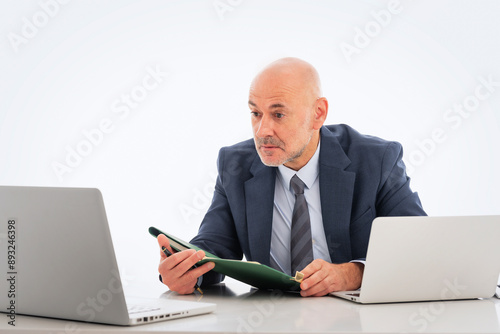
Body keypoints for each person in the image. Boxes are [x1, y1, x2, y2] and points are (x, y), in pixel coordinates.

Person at [157, 57, 426, 297]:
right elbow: (216, 247)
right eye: (255, 113)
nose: (262, 130)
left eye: (278, 114)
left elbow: (419, 248)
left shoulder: (376, 160)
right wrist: (187, 271)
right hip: (268, 321)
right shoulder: (235, 164)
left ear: (317, 114)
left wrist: (353, 274)